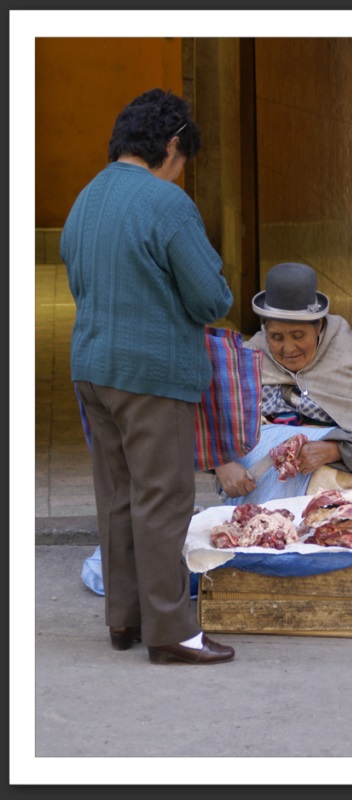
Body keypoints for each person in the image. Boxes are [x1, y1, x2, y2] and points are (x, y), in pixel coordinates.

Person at [60, 88, 236, 665]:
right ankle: (170, 632)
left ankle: (123, 620)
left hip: (93, 367)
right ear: (171, 145)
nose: (181, 172)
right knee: (162, 500)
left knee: (117, 499)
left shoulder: (86, 197)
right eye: (183, 160)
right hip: (151, 374)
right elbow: (210, 298)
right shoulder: (167, 204)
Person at [214, 262, 352, 506]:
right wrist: (222, 464)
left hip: (329, 484)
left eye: (299, 336)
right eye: (276, 337)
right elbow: (213, 421)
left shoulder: (347, 359)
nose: (288, 348)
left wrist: (334, 450)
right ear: (264, 331)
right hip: (257, 484)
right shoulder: (251, 358)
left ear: (319, 326)